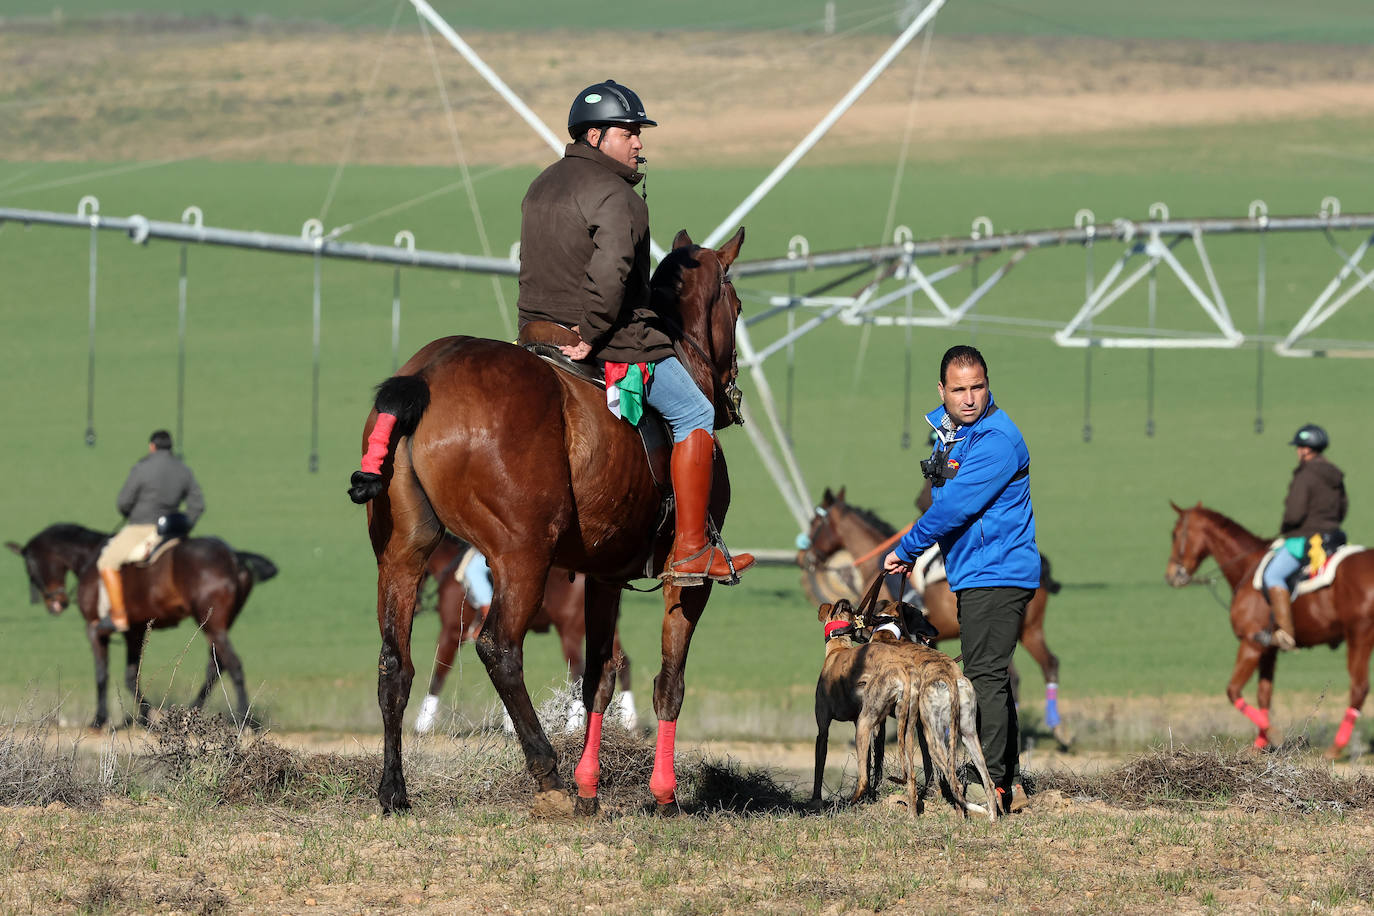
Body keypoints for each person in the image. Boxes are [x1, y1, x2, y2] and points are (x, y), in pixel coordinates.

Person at [516, 78, 753, 585]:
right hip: (608, 338)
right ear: (596, 136)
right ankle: (691, 549)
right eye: (629, 132)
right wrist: (592, 331)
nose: (639, 142)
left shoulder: (541, 184)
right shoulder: (618, 197)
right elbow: (613, 271)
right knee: (694, 411)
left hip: (536, 334)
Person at [882, 345, 1038, 814]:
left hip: (1000, 570)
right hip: (975, 571)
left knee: (983, 677)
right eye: (959, 389)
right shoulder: (953, 436)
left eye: (978, 388)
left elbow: (953, 507)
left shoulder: (995, 441)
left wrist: (908, 548)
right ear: (942, 391)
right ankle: (1007, 783)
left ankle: (985, 785)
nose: (970, 398)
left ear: (989, 386)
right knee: (987, 673)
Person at [96, 430, 205, 633]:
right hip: (172, 533)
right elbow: (197, 504)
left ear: (152, 446)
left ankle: (118, 617)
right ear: (170, 447)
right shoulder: (183, 470)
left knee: (106, 561)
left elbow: (123, 502)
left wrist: (131, 512)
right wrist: (183, 524)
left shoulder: (142, 468)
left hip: (141, 528)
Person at [1257, 424, 1347, 651]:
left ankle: (1286, 633)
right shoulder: (1335, 474)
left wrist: (1286, 526)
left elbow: (1295, 512)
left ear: (1307, 450)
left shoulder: (1305, 474)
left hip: (1306, 540)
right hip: (1334, 538)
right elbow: (1343, 508)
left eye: (1299, 447)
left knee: (1273, 575)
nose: (1297, 451)